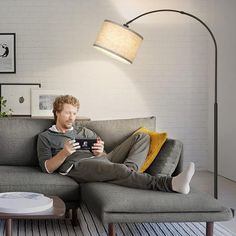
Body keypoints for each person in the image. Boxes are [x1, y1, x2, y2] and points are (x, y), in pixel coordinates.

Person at [37, 95, 195, 194]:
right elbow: (47, 168)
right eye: (67, 113)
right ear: (57, 112)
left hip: (102, 161)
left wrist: (100, 152)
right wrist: (64, 153)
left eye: (74, 113)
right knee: (119, 169)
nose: (72, 117)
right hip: (78, 166)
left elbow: (105, 156)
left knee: (142, 137)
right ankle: (170, 183)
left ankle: (128, 174)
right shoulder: (45, 136)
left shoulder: (84, 131)